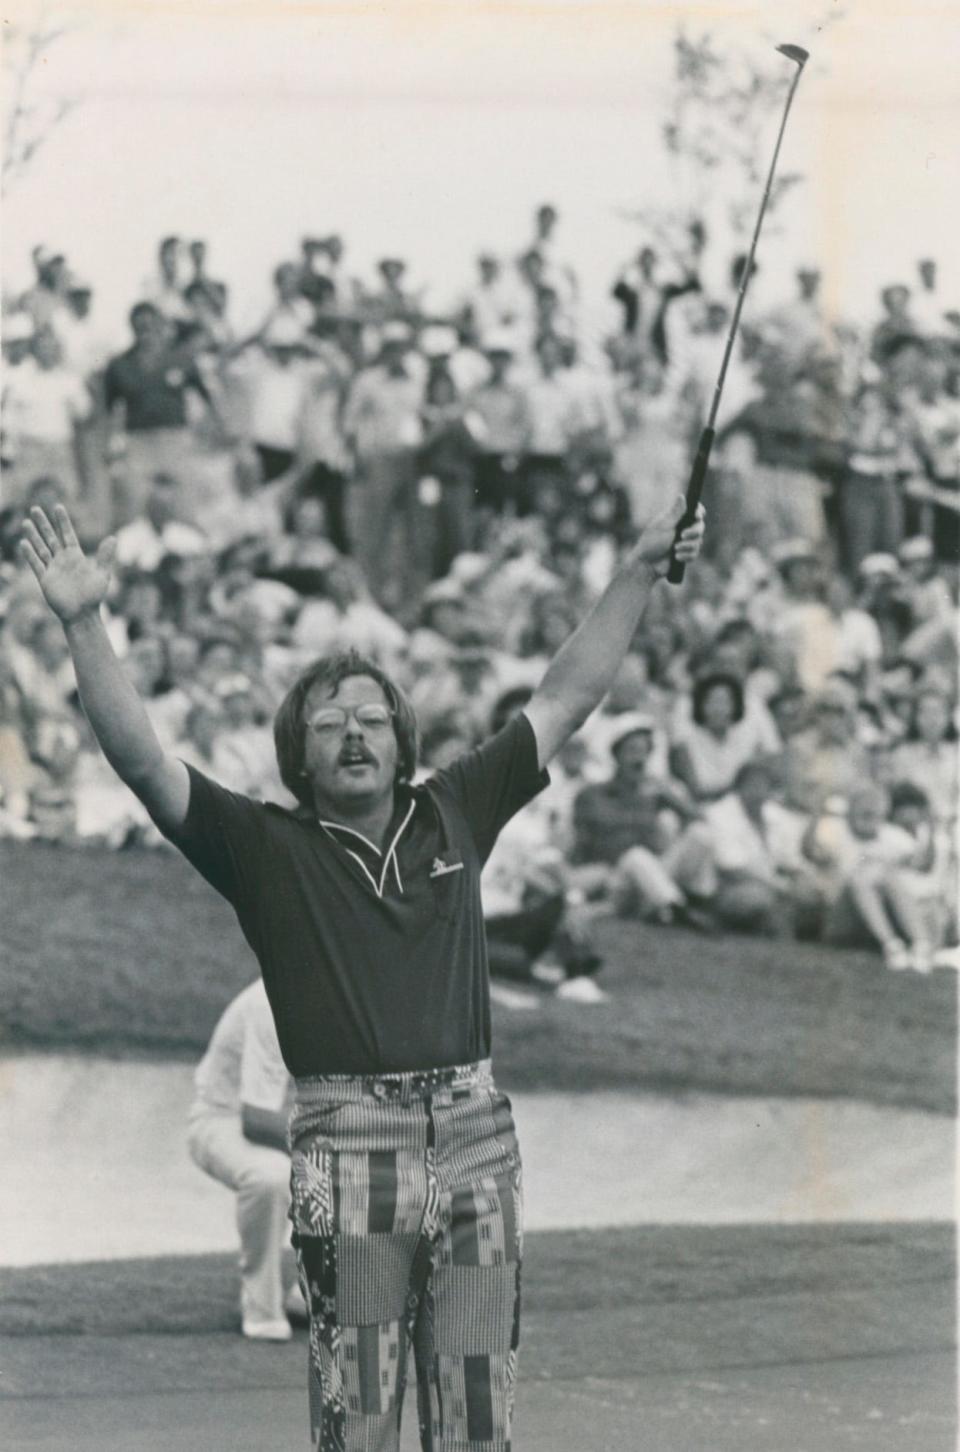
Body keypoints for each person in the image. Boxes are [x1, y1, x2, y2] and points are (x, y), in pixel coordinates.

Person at [20, 493, 704, 1452]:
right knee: (361, 1414)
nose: (353, 734)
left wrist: (637, 568)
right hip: (345, 1139)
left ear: (399, 741)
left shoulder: (456, 809)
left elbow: (564, 696)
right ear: (297, 752)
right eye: (330, 722)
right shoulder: (262, 845)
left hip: (475, 1134)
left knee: (478, 1413)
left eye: (372, 720)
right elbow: (143, 762)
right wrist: (85, 622)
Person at [188, 979, 307, 1340]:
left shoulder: (337, 998)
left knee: (350, 1169)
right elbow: (256, 1119)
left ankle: (309, 1295)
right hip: (220, 1120)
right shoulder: (271, 1004)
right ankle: (261, 1309)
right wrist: (319, 1150)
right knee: (270, 1177)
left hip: (289, 1121)